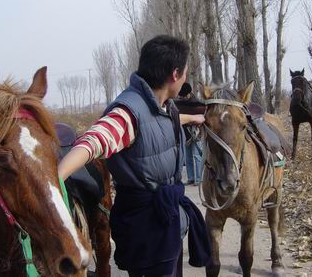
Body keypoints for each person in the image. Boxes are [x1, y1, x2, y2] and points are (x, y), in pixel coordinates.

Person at [58, 35, 211, 277]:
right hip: (147, 230)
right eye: (185, 74)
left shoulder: (163, 105)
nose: (185, 79)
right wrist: (57, 178)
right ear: (174, 74)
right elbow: (95, 140)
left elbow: (157, 123)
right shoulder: (127, 113)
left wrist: (192, 118)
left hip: (165, 224)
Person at [178, 83, 202, 186]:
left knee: (196, 156)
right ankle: (191, 178)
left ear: (189, 93)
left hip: (195, 132)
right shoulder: (179, 103)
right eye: (181, 96)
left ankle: (198, 178)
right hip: (184, 132)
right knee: (187, 157)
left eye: (184, 96)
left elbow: (202, 117)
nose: (183, 98)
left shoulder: (197, 103)